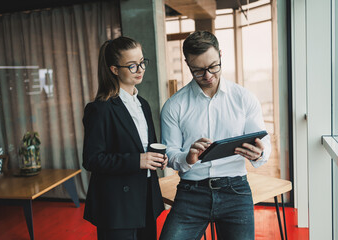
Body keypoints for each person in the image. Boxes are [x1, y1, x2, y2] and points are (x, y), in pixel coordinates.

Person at [159, 31, 271, 240]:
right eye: (198, 70)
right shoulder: (174, 106)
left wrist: (258, 154)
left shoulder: (244, 98)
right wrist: (188, 157)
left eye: (213, 66)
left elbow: (264, 144)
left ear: (220, 54)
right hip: (191, 192)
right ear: (187, 64)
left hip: (235, 190)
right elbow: (170, 153)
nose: (208, 76)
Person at [82, 36, 167, 240]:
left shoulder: (143, 104)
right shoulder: (100, 108)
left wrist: (157, 159)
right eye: (131, 66)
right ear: (114, 69)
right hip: (117, 205)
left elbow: (146, 147)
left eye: (141, 63)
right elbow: (92, 159)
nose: (140, 70)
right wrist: (137, 160)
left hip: (146, 197)